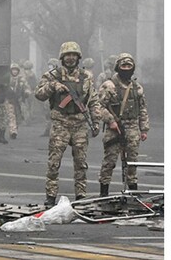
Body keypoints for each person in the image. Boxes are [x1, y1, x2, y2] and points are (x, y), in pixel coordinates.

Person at [35, 41, 102, 206]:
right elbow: (39, 94)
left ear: (78, 58)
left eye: (74, 55)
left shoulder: (86, 77)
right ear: (62, 58)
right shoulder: (52, 75)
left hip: (80, 123)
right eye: (67, 55)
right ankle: (50, 196)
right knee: (54, 162)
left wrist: (96, 122)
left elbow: (93, 100)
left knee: (81, 163)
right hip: (60, 123)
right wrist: (53, 86)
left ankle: (80, 196)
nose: (70, 58)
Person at [97, 53, 149, 196]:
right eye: (123, 66)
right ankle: (104, 193)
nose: (126, 69)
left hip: (132, 128)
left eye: (129, 66)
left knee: (132, 162)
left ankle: (133, 193)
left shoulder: (136, 87)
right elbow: (98, 106)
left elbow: (142, 108)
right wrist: (111, 120)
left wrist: (144, 129)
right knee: (110, 161)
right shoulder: (109, 85)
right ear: (117, 67)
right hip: (115, 129)